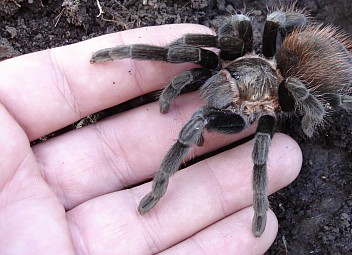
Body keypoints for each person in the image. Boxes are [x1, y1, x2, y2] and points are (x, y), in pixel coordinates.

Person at [0, 23, 302, 255]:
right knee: (189, 64)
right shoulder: (226, 62)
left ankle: (163, 188)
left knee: (224, 131)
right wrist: (169, 49)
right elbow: (190, 46)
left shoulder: (281, 97)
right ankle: (119, 53)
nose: (217, 86)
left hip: (294, 81)